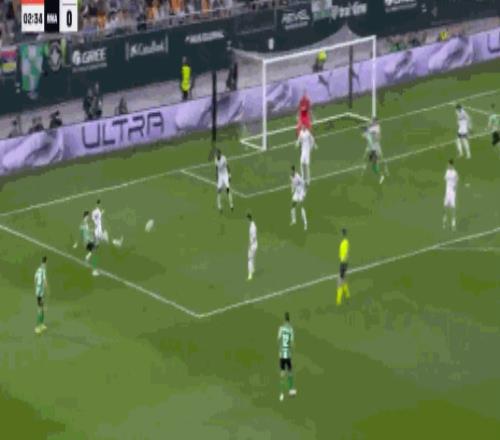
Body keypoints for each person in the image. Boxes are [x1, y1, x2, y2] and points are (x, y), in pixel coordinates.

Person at [278, 312, 297, 402]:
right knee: (289, 372)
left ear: (284, 320)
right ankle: (291, 390)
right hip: (288, 355)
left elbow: (278, 339)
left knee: (282, 373)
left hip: (282, 354)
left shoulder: (281, 328)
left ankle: (281, 393)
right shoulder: (291, 329)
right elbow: (292, 343)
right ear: (289, 320)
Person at [79, 211, 99, 276]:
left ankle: (87, 257)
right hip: (87, 242)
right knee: (95, 254)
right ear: (86, 216)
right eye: (88, 216)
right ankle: (94, 271)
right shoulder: (84, 223)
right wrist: (91, 237)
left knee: (93, 250)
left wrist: (91, 231)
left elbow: (83, 232)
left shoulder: (84, 223)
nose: (89, 217)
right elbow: (85, 233)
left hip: (87, 241)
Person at [290, 165, 308, 231]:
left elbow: (304, 183)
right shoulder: (291, 176)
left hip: (301, 192)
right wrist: (292, 190)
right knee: (293, 205)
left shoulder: (298, 176)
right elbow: (292, 184)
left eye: (292, 171)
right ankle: (294, 220)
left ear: (294, 170)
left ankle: (305, 223)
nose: (291, 172)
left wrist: (304, 193)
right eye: (291, 171)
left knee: (301, 207)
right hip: (296, 192)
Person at [443, 159, 459, 231]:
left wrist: (455, 186)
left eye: (449, 164)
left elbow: (457, 179)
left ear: (451, 165)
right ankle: (445, 220)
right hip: (447, 192)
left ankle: (453, 223)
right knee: (445, 207)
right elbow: (445, 179)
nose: (448, 165)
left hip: (452, 193)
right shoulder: (447, 172)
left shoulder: (454, 172)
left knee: (452, 208)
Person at [34, 256, 48, 335]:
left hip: (39, 291)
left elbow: (35, 278)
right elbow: (45, 281)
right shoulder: (43, 270)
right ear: (45, 263)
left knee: (42, 309)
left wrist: (37, 287)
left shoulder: (38, 269)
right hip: (40, 292)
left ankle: (42, 324)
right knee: (40, 309)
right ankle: (37, 327)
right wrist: (47, 288)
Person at [336, 228, 350, 306]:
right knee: (343, 279)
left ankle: (338, 300)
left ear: (342, 234)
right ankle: (347, 294)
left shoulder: (344, 243)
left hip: (343, 263)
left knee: (339, 281)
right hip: (344, 263)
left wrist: (343, 262)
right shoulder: (346, 242)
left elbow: (346, 253)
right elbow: (347, 252)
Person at [247, 213, 257, 281]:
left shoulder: (252, 227)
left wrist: (250, 245)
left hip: (252, 245)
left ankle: (250, 274)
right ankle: (252, 270)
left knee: (249, 259)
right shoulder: (253, 224)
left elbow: (253, 237)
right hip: (255, 244)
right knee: (252, 258)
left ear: (248, 219)